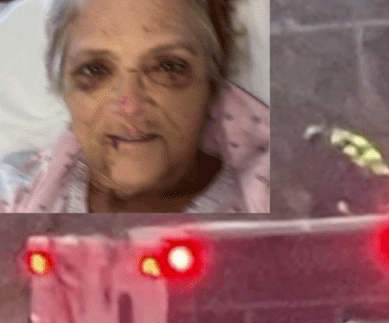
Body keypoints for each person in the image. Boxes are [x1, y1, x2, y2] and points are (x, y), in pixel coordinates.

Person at [0, 0, 268, 213]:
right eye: (95, 69)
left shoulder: (270, 208)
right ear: (63, 87)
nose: (130, 105)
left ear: (212, 81)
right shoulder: (19, 198)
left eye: (168, 66)